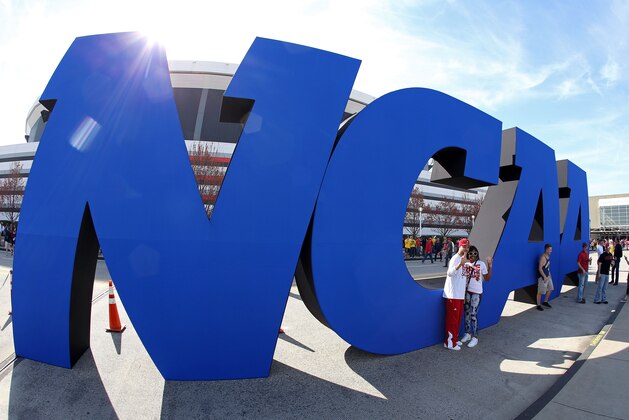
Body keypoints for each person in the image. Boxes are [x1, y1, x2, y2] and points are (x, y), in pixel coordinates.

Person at [461, 245, 492, 348]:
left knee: (473, 314)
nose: (472, 255)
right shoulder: (465, 264)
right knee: (466, 314)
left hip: (477, 293)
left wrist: (490, 265)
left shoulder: (481, 264)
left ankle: (475, 337)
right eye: (470, 253)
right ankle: (467, 334)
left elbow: (487, 278)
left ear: (477, 254)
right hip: (467, 292)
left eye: (474, 253)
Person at [442, 238, 470, 350]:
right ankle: (449, 343)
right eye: (464, 246)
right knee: (452, 320)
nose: (466, 248)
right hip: (452, 295)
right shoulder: (455, 258)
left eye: (467, 246)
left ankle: (454, 339)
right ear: (460, 246)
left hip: (459, 295)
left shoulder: (463, 259)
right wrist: (460, 264)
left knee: (457, 319)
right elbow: (449, 273)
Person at [536, 244, 553, 311]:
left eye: (551, 249)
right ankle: (538, 305)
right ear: (546, 249)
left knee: (550, 288)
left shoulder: (548, 256)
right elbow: (540, 268)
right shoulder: (543, 258)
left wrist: (549, 275)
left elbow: (546, 267)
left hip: (548, 275)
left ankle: (545, 302)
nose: (551, 251)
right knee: (540, 292)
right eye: (550, 249)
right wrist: (544, 277)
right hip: (543, 277)